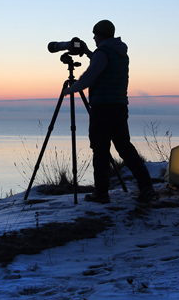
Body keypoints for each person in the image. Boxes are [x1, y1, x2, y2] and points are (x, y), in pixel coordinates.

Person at [64, 20, 158, 204]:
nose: (93, 37)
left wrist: (70, 89)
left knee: (100, 150)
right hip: (119, 107)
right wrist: (89, 53)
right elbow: (102, 64)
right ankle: (147, 187)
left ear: (100, 34)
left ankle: (101, 193)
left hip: (103, 108)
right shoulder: (119, 52)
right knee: (125, 148)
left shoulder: (103, 53)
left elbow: (89, 76)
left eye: (94, 34)